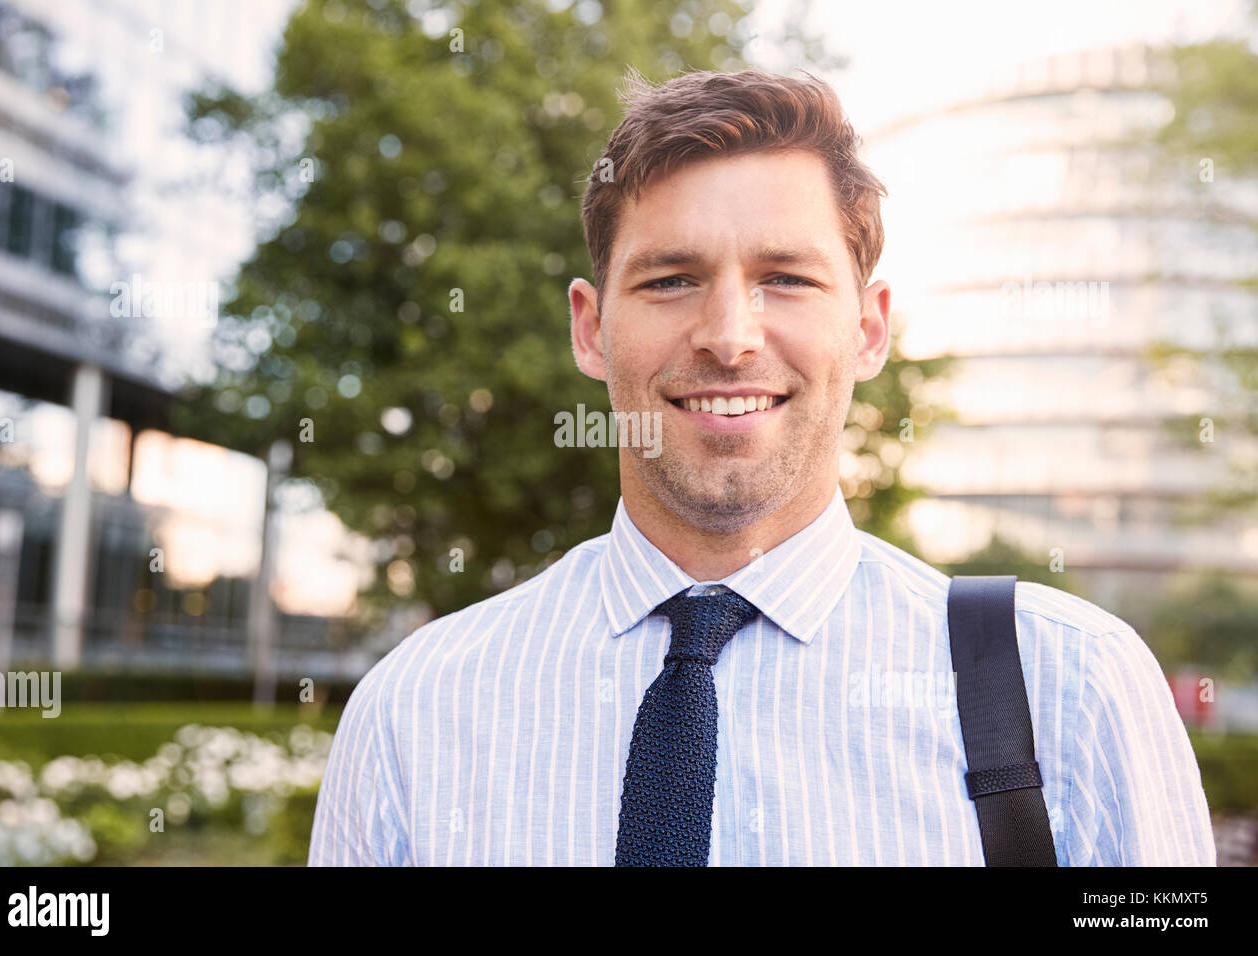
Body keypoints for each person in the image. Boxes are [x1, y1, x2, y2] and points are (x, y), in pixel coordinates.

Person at [308, 67, 1216, 866]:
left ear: (867, 328)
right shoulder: (414, 710)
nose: (730, 339)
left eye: (786, 278)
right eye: (670, 279)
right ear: (590, 328)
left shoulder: (1072, 685)